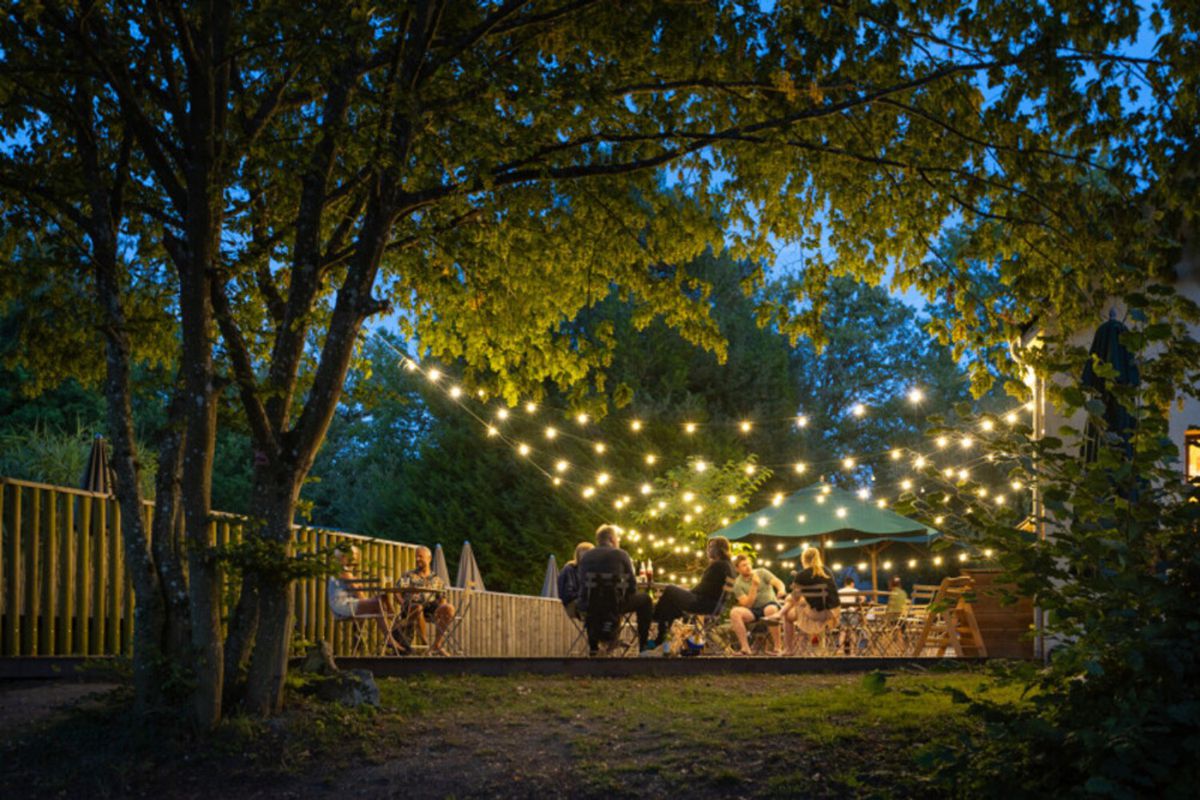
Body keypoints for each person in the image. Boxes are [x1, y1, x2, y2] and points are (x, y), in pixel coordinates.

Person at [577, 525, 654, 654]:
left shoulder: (586, 556)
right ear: (612, 539)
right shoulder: (621, 554)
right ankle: (643, 647)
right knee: (646, 600)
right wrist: (625, 595)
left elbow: (582, 583)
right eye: (618, 538)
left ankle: (594, 648)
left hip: (590, 605)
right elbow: (632, 585)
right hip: (615, 604)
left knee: (594, 607)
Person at [651, 536, 735, 645]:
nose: (708, 550)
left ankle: (655, 618)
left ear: (720, 549)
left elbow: (703, 589)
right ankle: (662, 638)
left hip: (704, 603)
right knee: (671, 604)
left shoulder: (718, 565)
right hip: (716, 606)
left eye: (711, 547)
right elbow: (709, 587)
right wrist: (686, 592)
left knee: (670, 589)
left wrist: (687, 592)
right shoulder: (729, 566)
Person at [327, 545, 404, 652]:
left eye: (356, 555)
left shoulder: (347, 572)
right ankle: (392, 630)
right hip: (342, 606)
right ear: (343, 557)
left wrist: (371, 602)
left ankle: (391, 624)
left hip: (349, 603)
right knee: (378, 602)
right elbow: (358, 594)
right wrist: (371, 602)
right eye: (353, 555)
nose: (355, 558)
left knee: (381, 599)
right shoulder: (342, 571)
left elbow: (359, 594)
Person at [769, 547, 841, 654]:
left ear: (803, 560)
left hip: (816, 614)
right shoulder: (827, 571)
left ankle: (788, 648)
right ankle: (780, 615)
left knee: (788, 613)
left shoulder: (801, 575)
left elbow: (794, 598)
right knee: (797, 602)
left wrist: (793, 598)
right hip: (833, 612)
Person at [395, 545, 456, 655]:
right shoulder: (408, 575)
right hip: (411, 608)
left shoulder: (437, 579)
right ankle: (426, 644)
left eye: (420, 556)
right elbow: (397, 592)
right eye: (416, 556)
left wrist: (442, 608)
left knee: (449, 608)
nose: (417, 559)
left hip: (430, 608)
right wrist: (402, 603)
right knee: (418, 608)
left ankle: (437, 644)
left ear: (429, 558)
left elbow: (442, 598)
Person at [729, 553, 785, 655]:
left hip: (770, 604)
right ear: (737, 569)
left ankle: (778, 647)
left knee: (770, 609)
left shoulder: (761, 572)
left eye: (748, 564)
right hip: (753, 610)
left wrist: (781, 590)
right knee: (734, 612)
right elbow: (747, 605)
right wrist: (754, 586)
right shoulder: (738, 583)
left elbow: (778, 582)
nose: (748, 567)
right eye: (744, 565)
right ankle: (745, 648)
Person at [557, 541, 594, 619]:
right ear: (578, 556)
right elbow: (567, 593)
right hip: (572, 605)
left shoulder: (592, 572)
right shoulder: (570, 569)